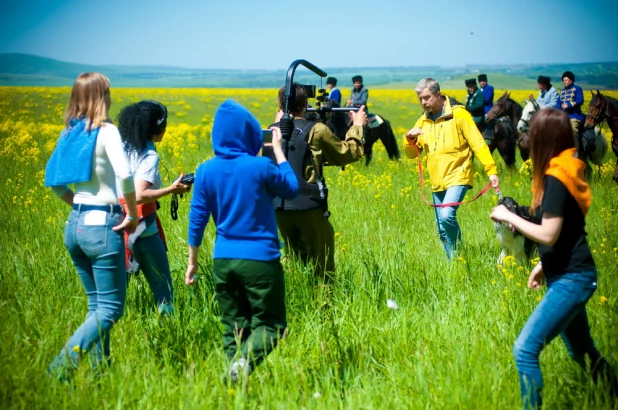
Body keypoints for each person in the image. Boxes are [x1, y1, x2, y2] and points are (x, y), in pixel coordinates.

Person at [490, 108, 616, 409]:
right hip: (567, 273)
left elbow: (548, 234)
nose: (527, 139)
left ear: (544, 138)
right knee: (582, 352)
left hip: (573, 278)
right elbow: (568, 229)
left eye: (532, 133)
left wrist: (508, 215)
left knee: (524, 350)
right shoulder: (563, 169)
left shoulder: (557, 177)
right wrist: (544, 264)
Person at [185, 100, 299, 383]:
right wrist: (279, 152)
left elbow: (197, 220)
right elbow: (292, 189)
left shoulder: (205, 171)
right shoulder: (260, 166)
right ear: (248, 134)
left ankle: (232, 382)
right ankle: (243, 364)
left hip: (222, 260)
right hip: (260, 259)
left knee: (233, 328)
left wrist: (192, 262)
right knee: (271, 327)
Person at [44, 72, 138, 380]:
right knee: (111, 310)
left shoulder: (70, 133)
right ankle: (60, 368)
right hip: (103, 225)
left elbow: (54, 182)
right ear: (101, 97)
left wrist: (77, 204)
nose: (111, 96)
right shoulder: (107, 131)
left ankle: (100, 375)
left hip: (76, 225)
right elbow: (124, 174)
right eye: (108, 92)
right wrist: (133, 212)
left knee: (96, 307)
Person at [269, 83, 366, 282]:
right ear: (305, 103)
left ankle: (297, 298)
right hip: (309, 205)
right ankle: (324, 309)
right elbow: (347, 153)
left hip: (279, 207)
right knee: (322, 265)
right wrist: (357, 126)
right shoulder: (318, 130)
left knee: (295, 258)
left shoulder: (273, 131)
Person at [405, 78, 499, 259]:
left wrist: (491, 170)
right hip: (436, 180)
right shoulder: (421, 122)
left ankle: (459, 252)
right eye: (420, 99)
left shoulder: (460, 115)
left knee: (447, 215)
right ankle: (454, 265)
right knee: (441, 229)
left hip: (458, 175)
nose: (423, 102)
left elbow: (478, 144)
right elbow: (411, 153)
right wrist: (409, 138)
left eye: (426, 97)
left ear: (438, 95)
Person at [117, 100, 191, 316]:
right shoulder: (149, 155)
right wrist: (171, 190)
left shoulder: (120, 148)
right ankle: (167, 327)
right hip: (142, 225)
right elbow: (139, 195)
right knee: (163, 288)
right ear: (158, 128)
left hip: (116, 223)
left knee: (118, 287)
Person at [555, 71, 585, 153]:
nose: (564, 82)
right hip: (563, 117)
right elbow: (558, 104)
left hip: (574, 116)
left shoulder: (577, 89)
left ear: (571, 80)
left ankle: (576, 152)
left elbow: (580, 100)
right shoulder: (562, 91)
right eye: (563, 80)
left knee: (572, 129)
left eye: (566, 80)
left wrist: (568, 105)